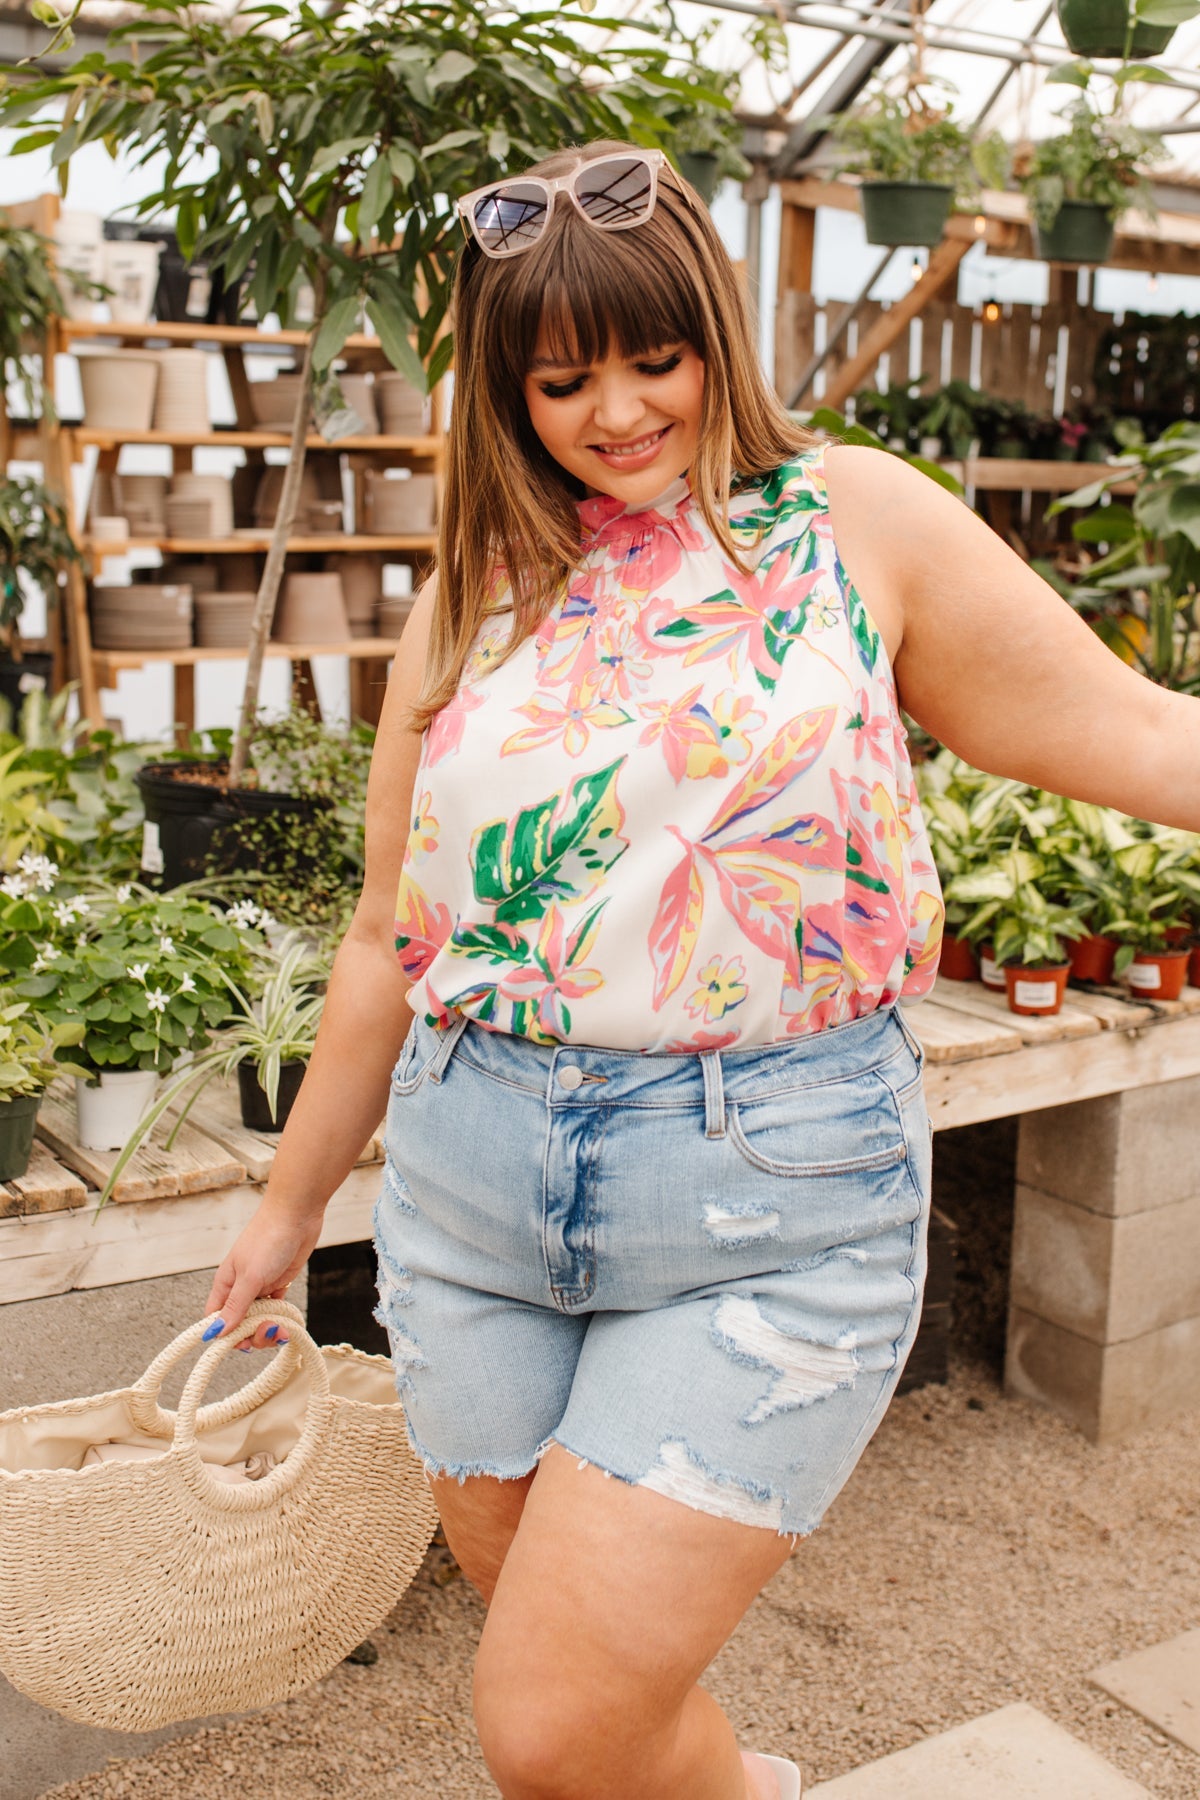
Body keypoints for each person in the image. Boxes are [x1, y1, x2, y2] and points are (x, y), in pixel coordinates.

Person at [205, 141, 1200, 1800]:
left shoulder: (850, 521)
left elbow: (1132, 732)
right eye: (562, 374)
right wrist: (290, 1206)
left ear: (716, 336)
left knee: (549, 1724)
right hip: (469, 1202)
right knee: (588, 1701)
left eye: (652, 357)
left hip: (773, 1191)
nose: (615, 411)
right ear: (506, 391)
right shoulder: (474, 595)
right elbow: (397, 933)